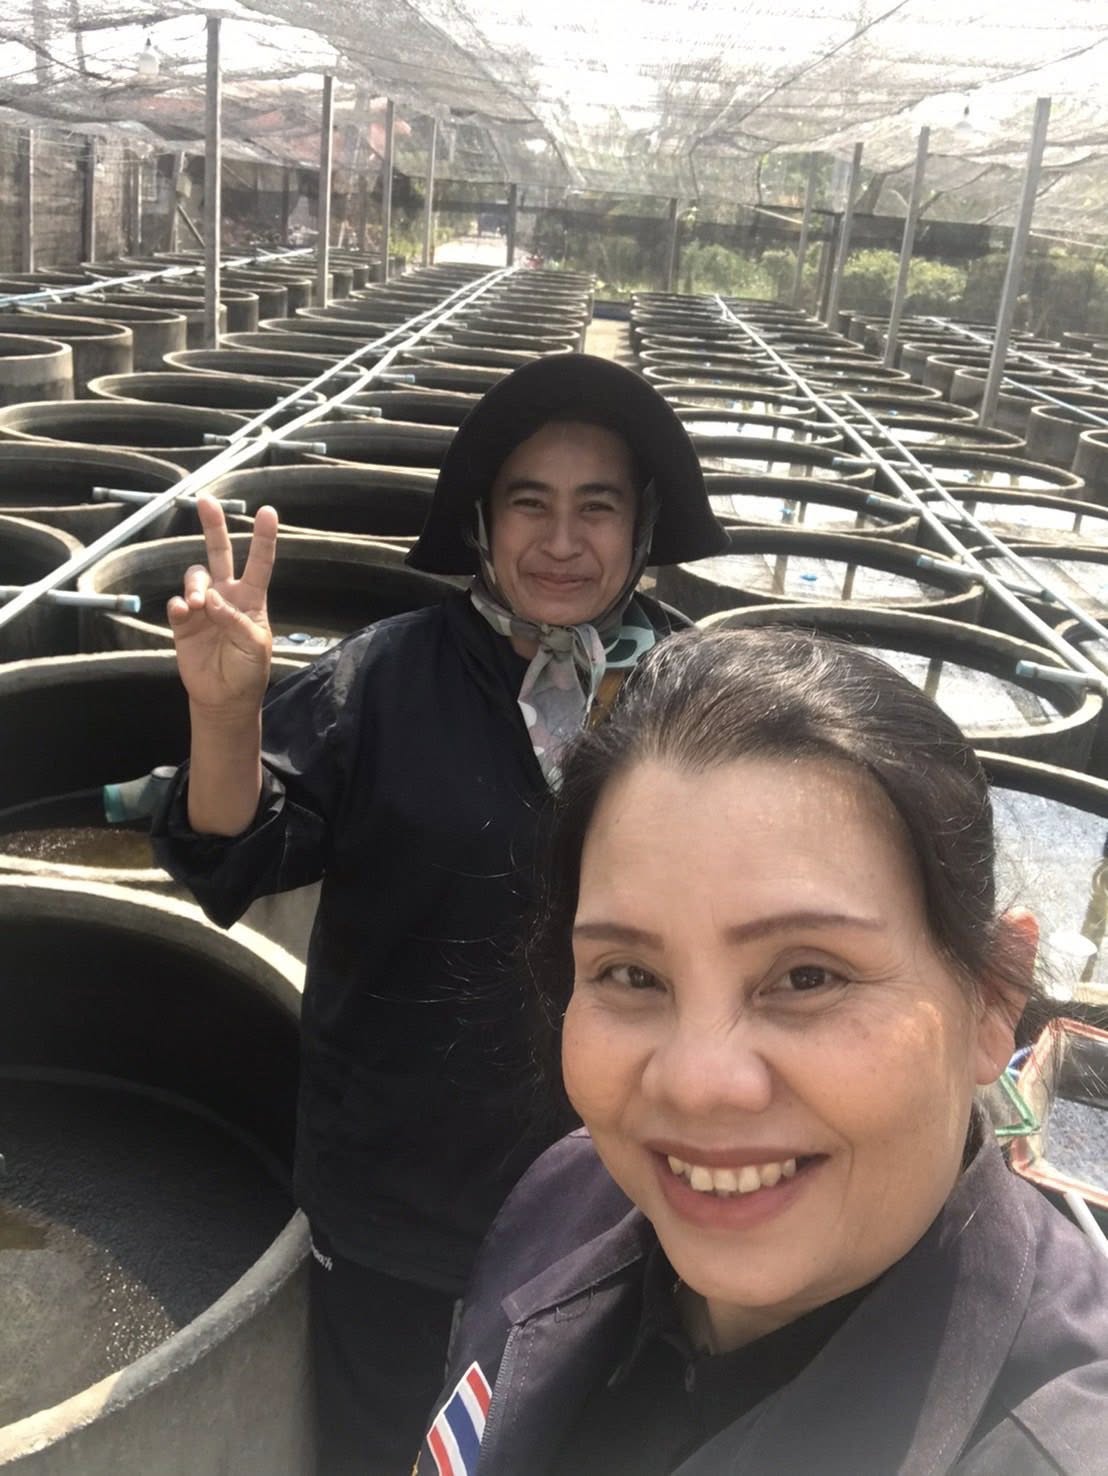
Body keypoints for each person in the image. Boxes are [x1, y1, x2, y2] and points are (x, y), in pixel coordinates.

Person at [150, 352, 727, 1474]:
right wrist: (226, 717)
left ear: (643, 524)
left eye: (597, 507)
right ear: (482, 523)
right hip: (395, 1198)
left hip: (621, 1193)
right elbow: (233, 852)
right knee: (382, 1446)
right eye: (530, 504)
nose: (561, 540)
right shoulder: (386, 676)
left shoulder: (696, 694)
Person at [417, 628, 1108, 1476]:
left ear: (994, 998)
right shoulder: (567, 1197)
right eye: (631, 974)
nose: (698, 1083)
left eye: (807, 977)